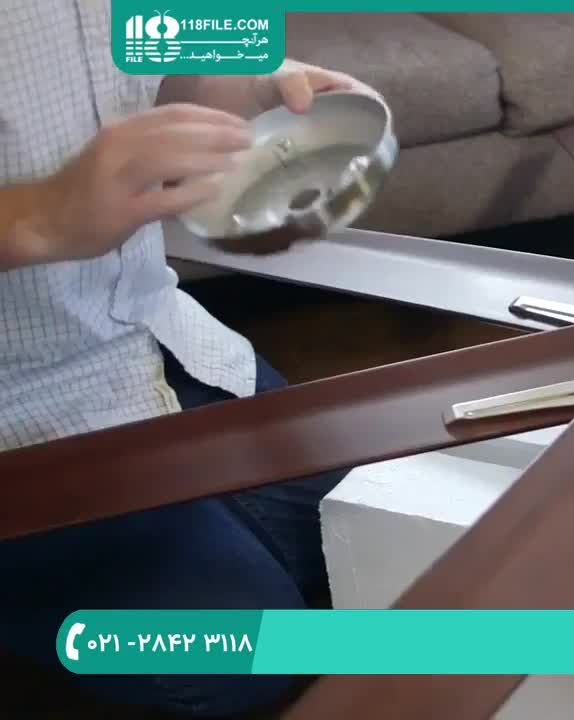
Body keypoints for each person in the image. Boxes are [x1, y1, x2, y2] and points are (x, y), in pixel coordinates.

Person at [0, 3, 382, 716]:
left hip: (168, 343)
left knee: (383, 547)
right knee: (247, 658)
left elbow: (162, 54)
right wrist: (35, 216)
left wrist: (261, 85)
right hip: (19, 422)